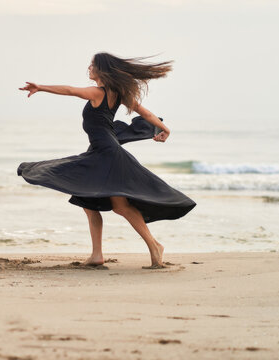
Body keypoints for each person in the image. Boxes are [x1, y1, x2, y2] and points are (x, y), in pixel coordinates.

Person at [17, 52, 196, 269]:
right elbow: (146, 113)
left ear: (101, 70)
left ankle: (147, 247)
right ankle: (102, 254)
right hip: (102, 152)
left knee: (109, 203)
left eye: (92, 66)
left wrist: (41, 87)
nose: (89, 69)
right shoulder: (119, 95)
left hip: (106, 154)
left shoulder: (97, 93)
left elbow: (71, 90)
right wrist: (165, 128)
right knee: (96, 202)